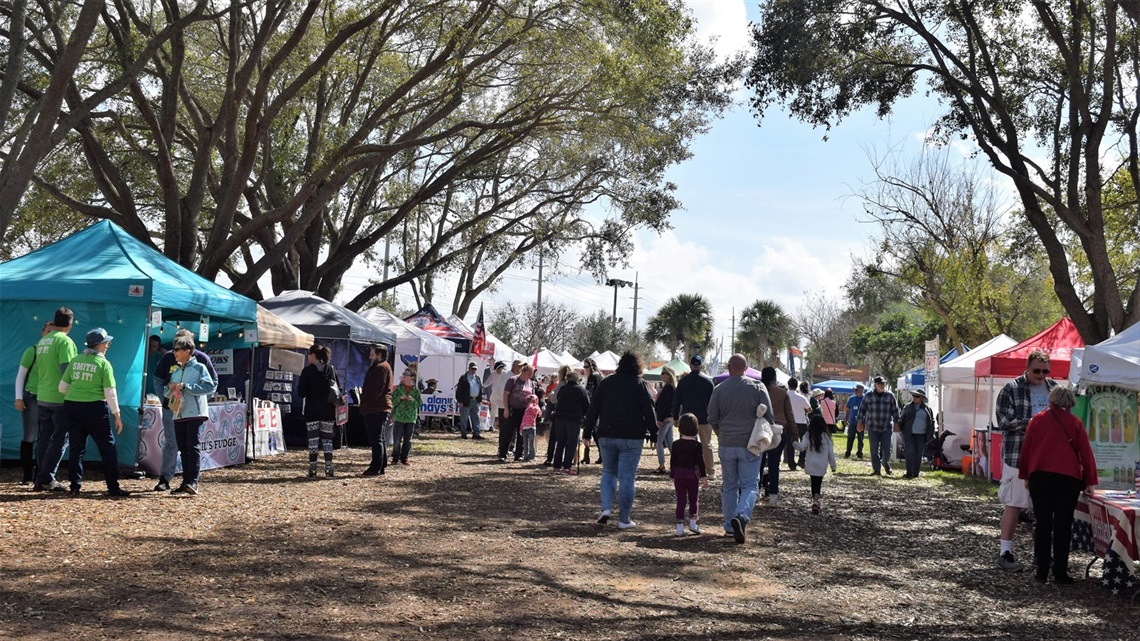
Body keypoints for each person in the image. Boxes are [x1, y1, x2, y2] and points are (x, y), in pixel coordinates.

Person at [1018, 385, 1098, 584]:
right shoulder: (1076, 423)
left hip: (1040, 476)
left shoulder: (1036, 420)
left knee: (1043, 524)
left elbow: (1027, 449)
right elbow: (1086, 454)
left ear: (1051, 399)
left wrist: (1026, 475)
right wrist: (1090, 481)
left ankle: (1041, 571)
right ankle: (1060, 573)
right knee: (1063, 526)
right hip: (1068, 479)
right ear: (1070, 401)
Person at [994, 350, 1057, 572]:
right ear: (1027, 368)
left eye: (1045, 371)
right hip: (1018, 455)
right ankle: (1005, 552)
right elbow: (1003, 420)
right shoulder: (1010, 389)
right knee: (1014, 503)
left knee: (1043, 508)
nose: (1041, 375)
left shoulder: (1054, 389)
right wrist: (1033, 423)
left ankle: (1041, 555)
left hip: (1047, 457)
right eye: (1037, 370)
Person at [582, 351, 657, 529]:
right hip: (632, 437)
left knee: (608, 472)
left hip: (607, 434)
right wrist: (654, 435)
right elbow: (649, 411)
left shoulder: (607, 383)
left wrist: (586, 432)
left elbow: (594, 409)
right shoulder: (640, 384)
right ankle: (624, 519)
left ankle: (606, 508)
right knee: (627, 478)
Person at [708, 354, 774, 544]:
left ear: (729, 368)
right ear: (746, 368)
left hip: (726, 442)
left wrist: (720, 433)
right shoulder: (758, 387)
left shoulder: (719, 389)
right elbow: (769, 417)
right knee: (750, 485)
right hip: (750, 444)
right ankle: (741, 515)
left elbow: (712, 417)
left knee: (729, 486)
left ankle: (729, 526)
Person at [57, 328, 131, 497]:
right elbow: (110, 392)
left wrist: (77, 392)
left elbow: (62, 387)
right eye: (106, 342)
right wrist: (117, 415)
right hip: (95, 409)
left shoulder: (75, 360)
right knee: (108, 448)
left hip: (72, 407)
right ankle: (113, 487)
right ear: (99, 345)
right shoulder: (103, 364)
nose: (108, 345)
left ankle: (75, 486)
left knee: (76, 448)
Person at [152, 329, 217, 492]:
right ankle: (173, 480)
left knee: (191, 445)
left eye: (178, 347)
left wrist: (195, 396)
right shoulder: (172, 363)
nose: (174, 350)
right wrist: (167, 394)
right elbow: (161, 381)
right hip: (175, 411)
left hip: (193, 413)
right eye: (174, 345)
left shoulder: (201, 363)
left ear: (188, 347)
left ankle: (192, 481)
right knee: (176, 444)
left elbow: (211, 384)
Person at [33, 307, 78, 492]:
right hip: (60, 398)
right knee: (59, 439)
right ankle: (47, 478)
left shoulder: (43, 340)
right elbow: (67, 371)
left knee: (44, 438)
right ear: (70, 323)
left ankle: (40, 476)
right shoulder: (65, 342)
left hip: (42, 395)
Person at [14, 322, 52, 484]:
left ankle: (41, 474)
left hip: (49, 398)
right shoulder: (33, 350)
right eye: (48, 331)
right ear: (42, 332)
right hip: (32, 397)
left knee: (45, 437)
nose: (50, 334)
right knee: (29, 436)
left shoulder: (55, 351)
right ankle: (27, 475)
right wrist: (18, 397)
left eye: (53, 331)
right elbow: (21, 375)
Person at [297, 343, 341, 478]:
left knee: (313, 440)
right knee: (327, 440)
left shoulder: (307, 371)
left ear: (314, 355)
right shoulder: (331, 370)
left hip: (312, 411)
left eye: (308, 354)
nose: (307, 357)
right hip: (328, 410)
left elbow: (301, 393)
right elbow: (337, 389)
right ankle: (329, 469)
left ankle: (313, 469)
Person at [671, 354, 716, 479]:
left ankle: (689, 468)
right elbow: (713, 402)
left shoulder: (683, 382)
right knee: (707, 445)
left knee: (687, 445)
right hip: (705, 418)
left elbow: (676, 401)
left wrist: (675, 417)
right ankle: (710, 471)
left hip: (687, 419)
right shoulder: (708, 381)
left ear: (690, 366)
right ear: (701, 366)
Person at [759, 366, 796, 507]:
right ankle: (773, 496)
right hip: (778, 431)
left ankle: (755, 491)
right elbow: (789, 415)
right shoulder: (782, 393)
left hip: (760, 430)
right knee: (774, 465)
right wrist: (794, 433)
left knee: (758, 464)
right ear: (775, 377)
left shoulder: (758, 391)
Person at [670, 413, 708, 536]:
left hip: (679, 474)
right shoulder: (697, 446)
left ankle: (679, 526)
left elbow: (673, 460)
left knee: (680, 500)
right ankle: (693, 523)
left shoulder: (675, 444)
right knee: (693, 498)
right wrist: (704, 477)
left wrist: (672, 473)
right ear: (695, 428)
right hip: (692, 475)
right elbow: (700, 462)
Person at [359, 344, 394, 476]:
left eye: (372, 354)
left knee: (376, 439)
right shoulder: (384, 367)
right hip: (379, 407)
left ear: (379, 355)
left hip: (376, 408)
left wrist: (367, 403)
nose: (370, 357)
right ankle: (381, 465)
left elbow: (376, 389)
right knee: (380, 438)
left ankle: (375, 468)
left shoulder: (380, 368)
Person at [794, 414, 837, 515]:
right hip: (822, 465)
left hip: (811, 464)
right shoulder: (827, 437)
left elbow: (801, 447)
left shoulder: (808, 435)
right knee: (818, 483)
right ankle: (817, 501)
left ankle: (815, 500)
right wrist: (833, 465)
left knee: (814, 483)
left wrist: (794, 443)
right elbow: (831, 453)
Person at [857, 376, 900, 477]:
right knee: (873, 450)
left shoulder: (890, 396)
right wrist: (859, 422)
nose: (882, 385)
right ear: (875, 385)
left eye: (883, 383)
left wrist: (897, 423)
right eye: (880, 383)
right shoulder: (868, 396)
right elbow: (862, 410)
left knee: (886, 448)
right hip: (873, 427)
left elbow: (895, 410)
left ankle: (885, 463)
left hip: (886, 427)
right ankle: (876, 470)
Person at [551, 369, 589, 475]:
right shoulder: (581, 390)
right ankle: (566, 467)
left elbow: (557, 399)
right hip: (573, 420)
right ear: (577, 380)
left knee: (560, 443)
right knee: (571, 443)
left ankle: (556, 466)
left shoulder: (563, 389)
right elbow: (587, 405)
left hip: (560, 419)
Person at [500, 363, 535, 461]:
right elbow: (506, 394)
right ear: (524, 371)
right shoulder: (513, 380)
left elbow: (533, 396)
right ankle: (503, 454)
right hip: (513, 410)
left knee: (522, 433)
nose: (530, 376)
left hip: (525, 411)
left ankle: (519, 454)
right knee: (509, 432)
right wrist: (506, 409)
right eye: (529, 373)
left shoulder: (530, 383)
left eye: (531, 374)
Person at [899, 388, 936, 479]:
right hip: (909, 434)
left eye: (917, 396)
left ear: (922, 398)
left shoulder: (928, 409)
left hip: (922, 435)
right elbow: (902, 418)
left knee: (918, 454)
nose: (915, 398)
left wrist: (930, 435)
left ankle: (915, 473)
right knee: (910, 452)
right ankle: (909, 473)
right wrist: (900, 427)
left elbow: (932, 422)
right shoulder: (907, 407)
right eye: (914, 396)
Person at [542, 364, 574, 466]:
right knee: (567, 439)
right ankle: (566, 460)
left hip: (559, 413)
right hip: (571, 415)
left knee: (554, 437)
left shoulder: (561, 384)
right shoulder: (574, 384)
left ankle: (550, 458)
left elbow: (554, 399)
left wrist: (551, 395)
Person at [390, 369, 421, 466]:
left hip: (411, 418)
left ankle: (405, 458)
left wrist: (412, 400)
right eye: (403, 374)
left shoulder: (415, 390)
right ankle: (395, 457)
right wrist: (399, 398)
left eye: (406, 374)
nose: (404, 376)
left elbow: (419, 404)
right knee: (397, 439)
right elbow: (392, 401)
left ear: (412, 377)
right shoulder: (398, 389)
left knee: (408, 440)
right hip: (399, 417)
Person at [652, 366, 677, 474]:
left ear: (669, 375)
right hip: (669, 418)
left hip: (665, 418)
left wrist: (660, 418)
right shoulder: (670, 387)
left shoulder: (668, 388)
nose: (661, 375)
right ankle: (676, 465)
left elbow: (665, 405)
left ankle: (662, 465)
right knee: (670, 442)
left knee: (659, 441)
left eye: (663, 373)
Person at [786, 378, 811, 470]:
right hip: (801, 422)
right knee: (804, 442)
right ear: (797, 386)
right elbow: (809, 409)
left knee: (790, 443)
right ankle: (801, 459)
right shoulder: (801, 397)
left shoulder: (785, 396)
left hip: (789, 423)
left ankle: (791, 464)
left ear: (788, 385)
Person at [455, 361, 485, 439]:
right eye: (472, 369)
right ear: (469, 368)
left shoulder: (477, 378)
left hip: (475, 400)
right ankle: (463, 433)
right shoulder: (463, 378)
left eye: (475, 369)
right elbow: (459, 390)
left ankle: (476, 433)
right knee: (464, 418)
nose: (473, 370)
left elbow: (480, 388)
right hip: (466, 400)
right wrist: (460, 401)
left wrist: (480, 399)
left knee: (475, 417)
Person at [581, 358, 603, 464]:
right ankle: (588, 455)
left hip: (592, 408)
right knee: (594, 432)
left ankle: (589, 456)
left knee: (590, 431)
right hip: (597, 408)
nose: (585, 369)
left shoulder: (593, 377)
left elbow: (589, 393)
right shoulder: (598, 376)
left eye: (586, 367)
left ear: (591, 366)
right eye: (584, 367)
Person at [844, 384, 866, 459]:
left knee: (860, 439)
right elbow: (848, 410)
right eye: (855, 390)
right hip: (852, 422)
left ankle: (860, 453)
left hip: (861, 422)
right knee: (850, 438)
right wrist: (846, 419)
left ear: (862, 390)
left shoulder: (865, 399)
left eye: (857, 390)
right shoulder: (851, 398)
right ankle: (848, 452)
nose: (855, 391)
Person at [486, 361, 508, 431]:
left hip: (502, 395)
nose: (499, 370)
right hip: (494, 394)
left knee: (502, 410)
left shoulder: (505, 374)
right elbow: (488, 381)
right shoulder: (493, 374)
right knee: (493, 411)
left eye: (501, 368)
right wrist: (483, 386)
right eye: (498, 369)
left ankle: (502, 425)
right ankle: (491, 425)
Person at [519, 393, 541, 461]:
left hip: (531, 427)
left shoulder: (535, 408)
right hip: (525, 428)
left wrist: (533, 404)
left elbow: (535, 411)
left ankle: (531, 456)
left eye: (532, 400)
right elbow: (524, 418)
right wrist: (521, 427)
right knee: (525, 444)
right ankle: (525, 456)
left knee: (531, 444)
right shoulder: (527, 409)